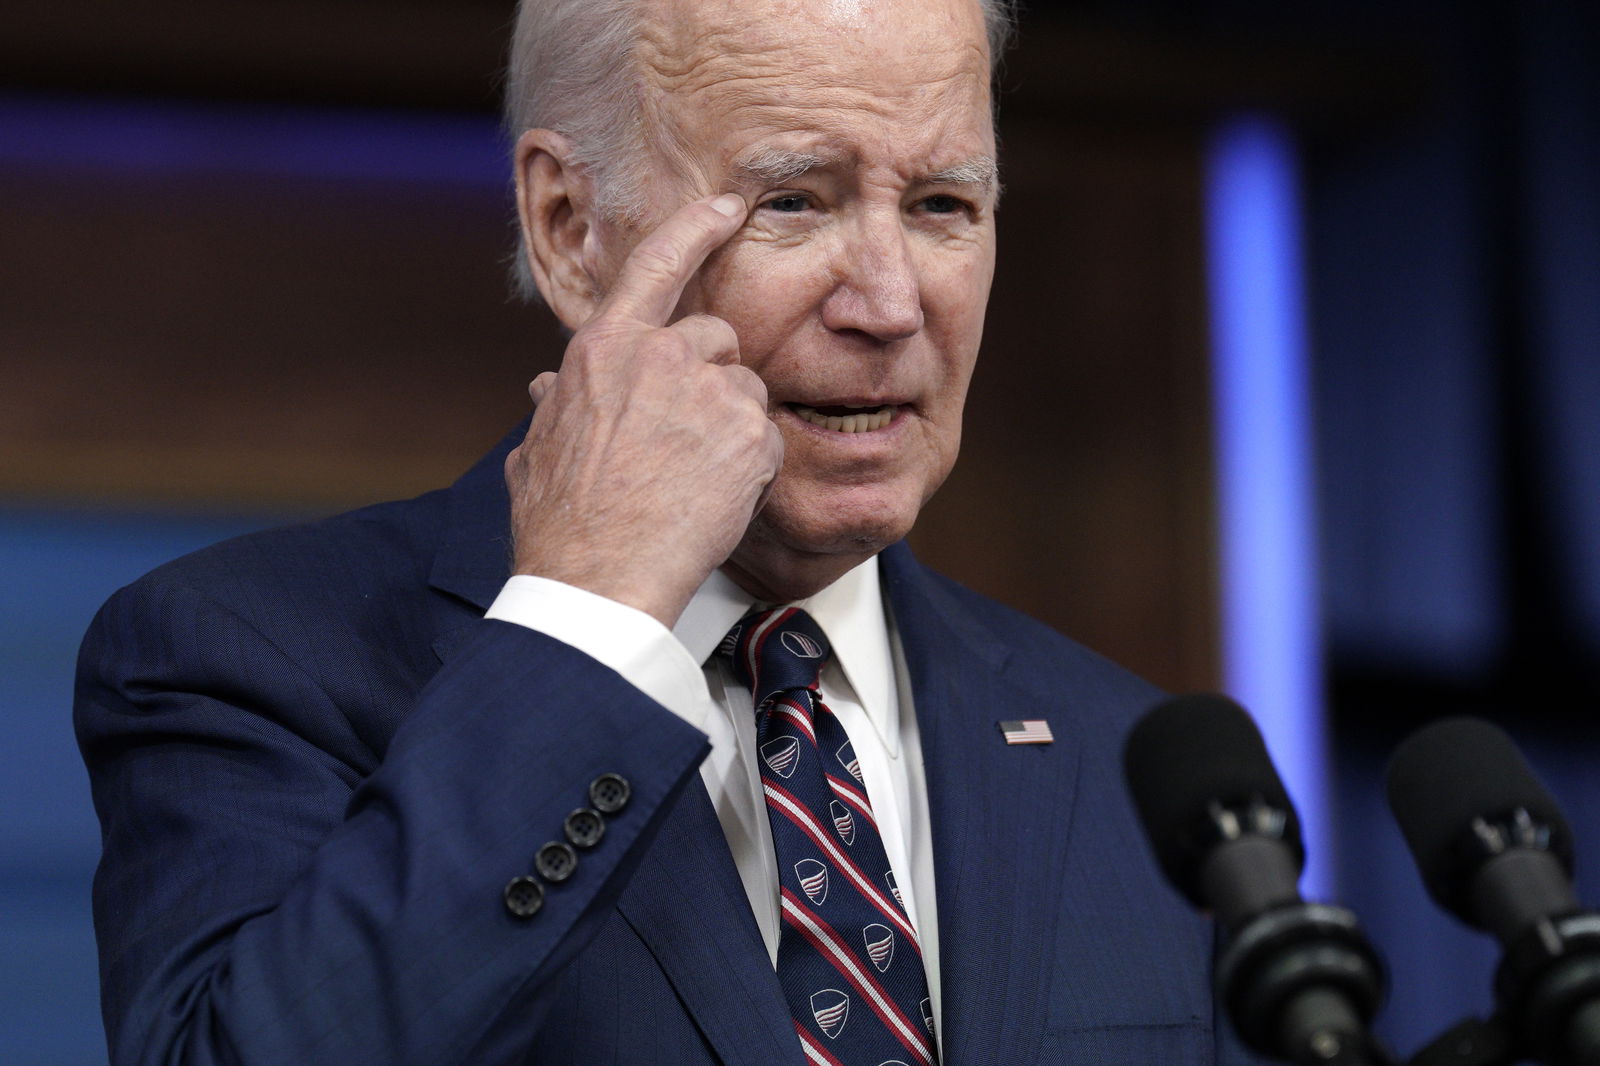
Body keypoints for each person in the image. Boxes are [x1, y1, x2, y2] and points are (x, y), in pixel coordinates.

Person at [75, 0, 1259, 1062]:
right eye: (794, 200)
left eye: (945, 205)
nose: (893, 306)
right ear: (570, 227)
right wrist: (587, 618)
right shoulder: (237, 657)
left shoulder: (1138, 760)